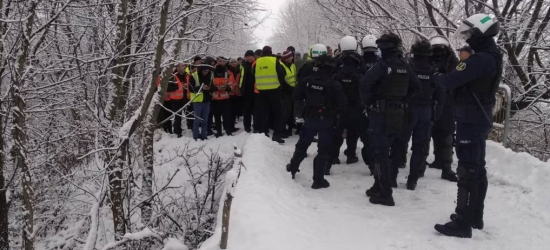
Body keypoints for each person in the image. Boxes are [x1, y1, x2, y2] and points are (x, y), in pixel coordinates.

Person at [434, 14, 502, 238]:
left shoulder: (480, 59)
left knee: (468, 170)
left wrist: (435, 75)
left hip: (470, 118)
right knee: (477, 168)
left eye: (471, 33)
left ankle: (463, 221)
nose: (468, 37)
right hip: (477, 116)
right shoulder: (491, 55)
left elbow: (451, 80)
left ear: (481, 33)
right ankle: (475, 216)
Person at [360, 33, 421, 206]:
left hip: (380, 113)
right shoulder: (405, 65)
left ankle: (385, 193)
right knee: (390, 149)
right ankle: (378, 186)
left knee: (379, 152)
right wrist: (401, 101)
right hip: (398, 113)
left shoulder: (382, 66)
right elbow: (416, 87)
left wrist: (371, 102)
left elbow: (364, 85)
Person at [286, 49, 347, 189]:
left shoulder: (307, 81)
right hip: (327, 120)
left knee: (302, 145)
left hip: (310, 118)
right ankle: (318, 180)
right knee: (323, 150)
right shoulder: (334, 84)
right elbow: (343, 104)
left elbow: (296, 96)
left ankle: (293, 168)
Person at [392, 39, 445, 191]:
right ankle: (412, 180)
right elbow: (441, 95)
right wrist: (435, 115)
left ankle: (392, 176)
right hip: (426, 111)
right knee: (419, 147)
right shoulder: (434, 71)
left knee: (399, 143)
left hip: (407, 109)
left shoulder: (408, 68)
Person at [427, 35, 460, 182]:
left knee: (445, 134)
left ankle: (446, 166)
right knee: (437, 132)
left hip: (446, 101)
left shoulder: (452, 61)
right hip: (436, 100)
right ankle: (440, 161)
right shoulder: (447, 60)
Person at [331, 36, 367, 168]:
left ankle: (334, 156)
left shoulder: (337, 61)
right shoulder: (360, 61)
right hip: (356, 103)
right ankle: (351, 155)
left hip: (339, 104)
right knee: (353, 131)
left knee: (337, 131)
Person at [254, 46, 286, 143]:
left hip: (261, 91)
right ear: (271, 52)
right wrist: (281, 85)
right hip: (274, 90)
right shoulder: (274, 60)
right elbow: (281, 74)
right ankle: (276, 134)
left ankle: (264, 132)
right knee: (277, 113)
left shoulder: (258, 61)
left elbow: (253, 74)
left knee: (264, 112)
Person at [189, 62, 214, 140]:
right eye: (204, 71)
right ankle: (195, 136)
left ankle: (204, 135)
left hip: (207, 101)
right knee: (197, 120)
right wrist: (201, 88)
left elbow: (213, 87)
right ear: (201, 70)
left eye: (207, 71)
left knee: (205, 120)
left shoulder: (211, 75)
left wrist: (209, 88)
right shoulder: (193, 76)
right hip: (197, 101)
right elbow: (191, 89)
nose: (206, 73)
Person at [211, 57, 234, 137]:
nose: (220, 74)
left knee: (227, 116)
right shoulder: (212, 75)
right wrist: (217, 88)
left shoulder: (227, 74)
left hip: (226, 99)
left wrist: (226, 88)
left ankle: (228, 130)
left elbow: (231, 86)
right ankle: (219, 131)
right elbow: (209, 87)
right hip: (215, 99)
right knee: (217, 117)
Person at [278, 50, 297, 138]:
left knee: (291, 111)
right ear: (286, 58)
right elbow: (282, 81)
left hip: (292, 91)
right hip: (285, 92)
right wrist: (290, 89)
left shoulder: (292, 65)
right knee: (285, 111)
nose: (292, 58)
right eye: (290, 57)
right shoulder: (281, 66)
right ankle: (281, 130)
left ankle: (289, 127)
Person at [166, 63, 189, 138]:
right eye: (179, 66)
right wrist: (179, 85)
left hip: (185, 97)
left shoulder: (186, 75)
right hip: (175, 99)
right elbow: (169, 88)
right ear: (177, 67)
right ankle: (177, 131)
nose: (182, 68)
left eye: (183, 66)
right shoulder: (173, 76)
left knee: (187, 114)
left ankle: (188, 129)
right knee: (178, 116)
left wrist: (186, 86)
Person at [240, 50, 257, 133]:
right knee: (247, 111)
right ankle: (247, 126)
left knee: (256, 110)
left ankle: (256, 126)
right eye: (247, 57)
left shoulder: (257, 64)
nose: (249, 58)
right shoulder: (243, 65)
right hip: (246, 91)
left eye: (250, 56)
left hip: (256, 91)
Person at [228, 58, 242, 132]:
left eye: (235, 62)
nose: (233, 63)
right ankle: (229, 127)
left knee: (235, 111)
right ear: (230, 63)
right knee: (230, 112)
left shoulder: (240, 71)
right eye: (232, 62)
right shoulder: (228, 71)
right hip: (230, 94)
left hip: (238, 93)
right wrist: (233, 86)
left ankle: (232, 126)